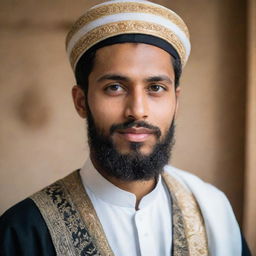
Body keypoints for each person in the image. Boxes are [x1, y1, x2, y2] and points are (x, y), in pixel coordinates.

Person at [0, 0, 251, 255]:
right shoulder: (23, 231)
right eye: (115, 87)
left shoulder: (214, 212)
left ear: (176, 102)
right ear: (81, 101)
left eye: (155, 88)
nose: (137, 110)